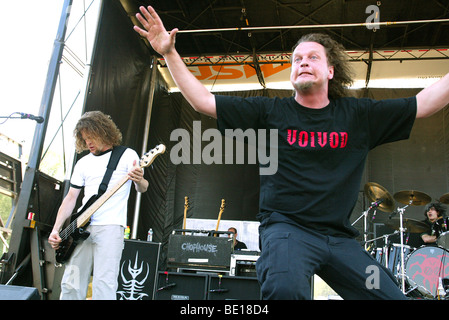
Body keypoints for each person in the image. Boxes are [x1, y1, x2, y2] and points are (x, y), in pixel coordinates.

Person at [133, 6, 449, 300]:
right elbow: (203, 101)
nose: (302, 62)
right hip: (287, 231)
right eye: (296, 59)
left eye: (312, 57)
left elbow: (425, 104)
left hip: (339, 239)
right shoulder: (270, 112)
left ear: (330, 71)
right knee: (285, 289)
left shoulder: (358, 116)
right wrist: (170, 53)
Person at [48, 111, 148, 300]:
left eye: (91, 137)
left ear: (103, 132)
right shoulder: (83, 163)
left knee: (105, 282)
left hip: (110, 226)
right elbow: (71, 197)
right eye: (85, 139)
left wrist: (140, 180)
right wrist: (56, 229)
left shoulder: (127, 155)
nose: (88, 143)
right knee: (72, 281)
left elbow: (142, 188)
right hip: (80, 226)